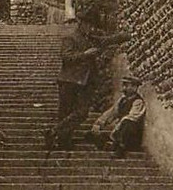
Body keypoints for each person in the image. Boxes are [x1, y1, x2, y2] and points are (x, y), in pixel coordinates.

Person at [44, 8, 128, 150]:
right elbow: (66, 57)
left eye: (92, 25)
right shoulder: (69, 38)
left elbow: (107, 40)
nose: (90, 28)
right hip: (69, 80)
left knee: (82, 113)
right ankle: (63, 140)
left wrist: (126, 36)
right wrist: (85, 54)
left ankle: (53, 132)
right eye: (88, 25)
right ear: (81, 23)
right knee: (65, 111)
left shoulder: (92, 39)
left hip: (86, 81)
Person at [88, 75, 146, 157]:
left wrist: (116, 128)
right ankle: (111, 145)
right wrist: (99, 123)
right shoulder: (122, 100)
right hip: (118, 133)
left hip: (130, 136)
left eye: (127, 85)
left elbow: (132, 117)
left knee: (127, 123)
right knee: (90, 135)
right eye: (124, 85)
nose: (124, 88)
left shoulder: (138, 101)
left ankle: (119, 150)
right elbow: (111, 113)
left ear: (134, 87)